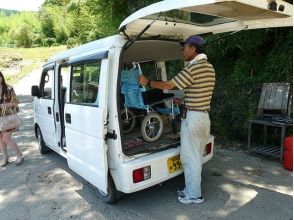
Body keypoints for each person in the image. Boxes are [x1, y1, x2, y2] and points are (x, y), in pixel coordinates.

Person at [138, 35, 215, 204]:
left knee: (190, 158)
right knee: (196, 156)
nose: (183, 51)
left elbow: (168, 86)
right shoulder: (209, 67)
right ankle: (191, 189)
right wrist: (183, 101)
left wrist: (148, 81)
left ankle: (194, 195)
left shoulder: (193, 68)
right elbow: (200, 93)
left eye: (184, 47)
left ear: (193, 49)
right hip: (202, 117)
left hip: (193, 119)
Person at [0, 71, 23, 167]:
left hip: (9, 118)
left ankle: (19, 155)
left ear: (2, 77)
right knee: (0, 139)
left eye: (0, 76)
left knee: (6, 138)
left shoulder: (9, 88)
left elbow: (17, 101)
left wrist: (5, 105)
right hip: (0, 120)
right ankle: (5, 157)